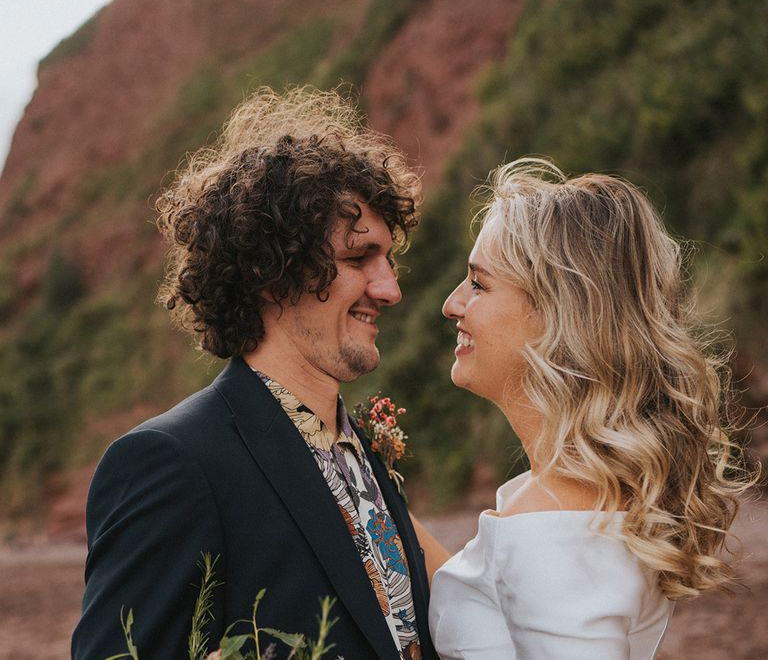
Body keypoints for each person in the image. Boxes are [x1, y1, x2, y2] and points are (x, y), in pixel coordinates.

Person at [72, 87, 437, 659]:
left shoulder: (361, 448)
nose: (390, 288)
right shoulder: (170, 464)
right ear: (273, 271)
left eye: (388, 260)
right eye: (357, 259)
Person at [419, 158, 754, 658]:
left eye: (479, 284)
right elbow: (499, 596)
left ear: (557, 316)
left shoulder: (557, 526)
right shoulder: (570, 497)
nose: (452, 304)